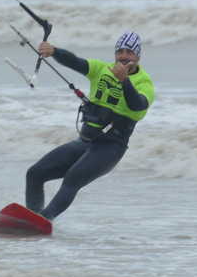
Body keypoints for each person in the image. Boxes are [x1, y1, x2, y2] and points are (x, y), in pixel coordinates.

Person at [25, 31, 155, 221]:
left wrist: (124, 81)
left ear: (138, 56)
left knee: (72, 179)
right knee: (35, 174)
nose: (124, 56)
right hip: (84, 143)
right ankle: (31, 219)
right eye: (120, 52)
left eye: (129, 52)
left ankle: (43, 220)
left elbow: (138, 105)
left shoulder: (145, 83)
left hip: (110, 148)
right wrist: (54, 51)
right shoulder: (102, 69)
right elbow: (76, 62)